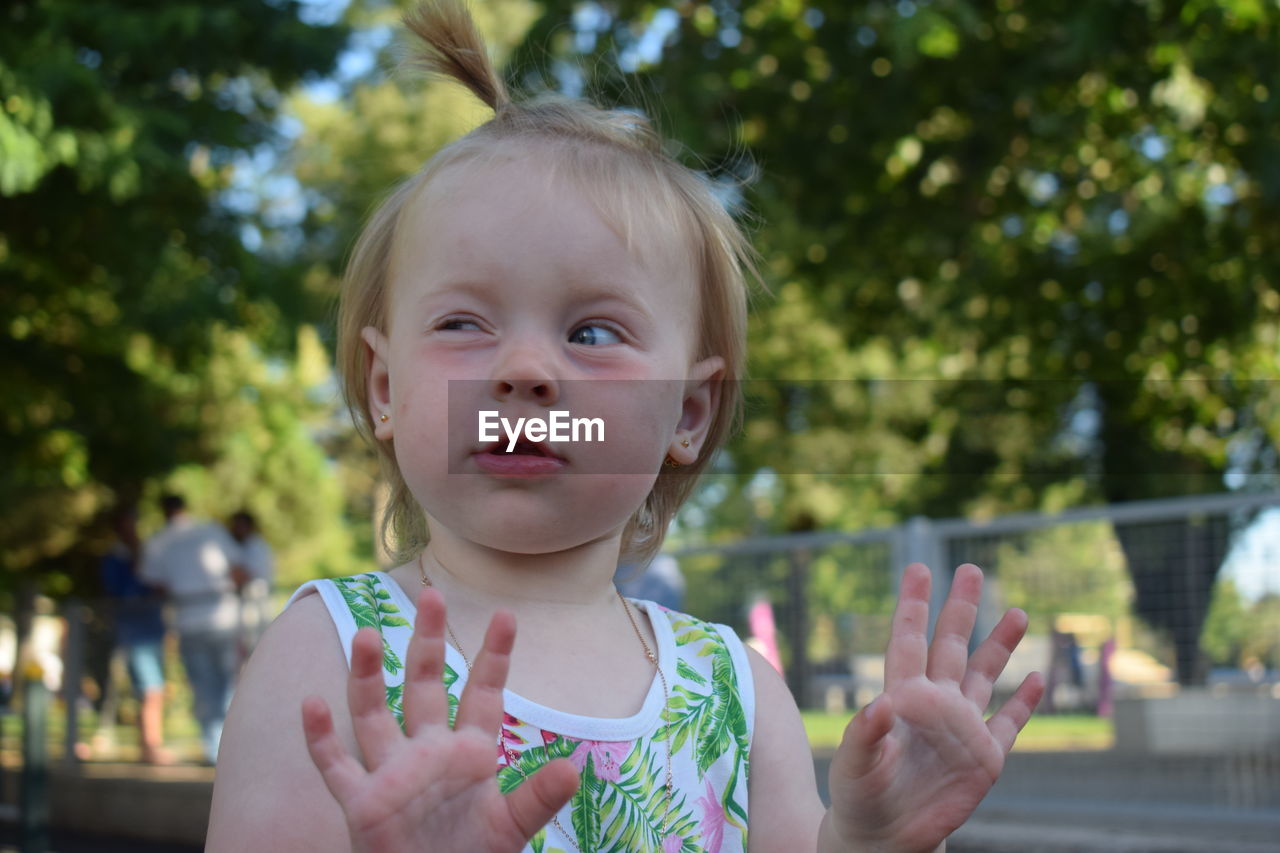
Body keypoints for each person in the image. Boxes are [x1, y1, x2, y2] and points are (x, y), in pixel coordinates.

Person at [207, 2, 1045, 850]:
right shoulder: (328, 658)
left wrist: (870, 844)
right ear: (385, 386)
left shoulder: (737, 695)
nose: (525, 370)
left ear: (687, 411)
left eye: (592, 334)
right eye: (464, 323)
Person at [141, 494, 244, 765]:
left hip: (188, 621)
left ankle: (215, 748)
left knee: (204, 687)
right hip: (223, 618)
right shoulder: (210, 531)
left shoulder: (158, 541)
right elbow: (238, 571)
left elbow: (154, 582)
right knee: (228, 685)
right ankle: (230, 748)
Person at [98, 506, 174, 765]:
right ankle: (150, 748)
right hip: (133, 633)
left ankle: (151, 746)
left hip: (152, 629)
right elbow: (124, 593)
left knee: (156, 690)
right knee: (149, 690)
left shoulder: (145, 554)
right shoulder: (115, 561)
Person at [229, 510, 275, 659]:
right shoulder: (240, 546)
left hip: (256, 601)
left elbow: (246, 575)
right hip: (247, 603)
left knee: (257, 646)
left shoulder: (257, 547)